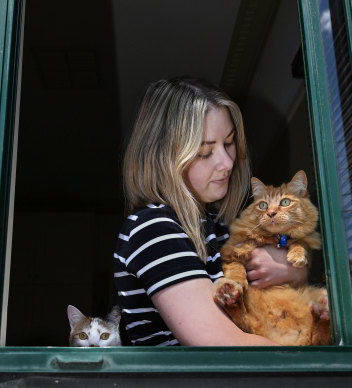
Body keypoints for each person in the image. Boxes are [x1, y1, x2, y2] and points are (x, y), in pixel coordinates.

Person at [114, 77, 307, 346]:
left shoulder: (216, 226)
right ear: (164, 158)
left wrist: (294, 270)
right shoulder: (153, 227)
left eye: (229, 143)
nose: (227, 162)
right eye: (205, 152)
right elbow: (223, 346)